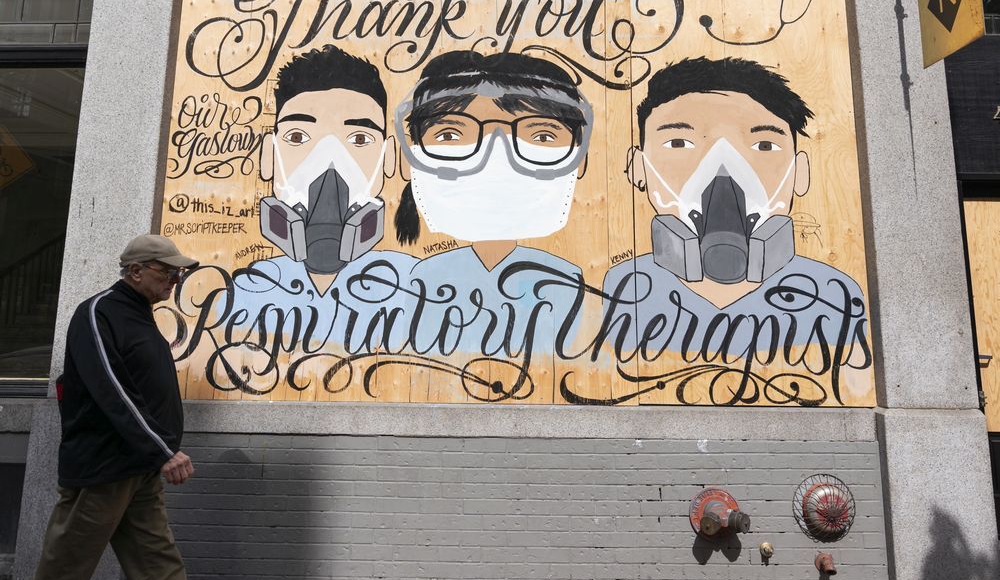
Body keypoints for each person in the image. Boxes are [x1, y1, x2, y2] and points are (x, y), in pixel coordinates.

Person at [603, 56, 868, 364]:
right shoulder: (624, 288)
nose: (722, 170)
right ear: (637, 169)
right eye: (678, 143)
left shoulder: (833, 296)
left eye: (764, 146)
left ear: (801, 172)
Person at [395, 50, 591, 368]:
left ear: (580, 158)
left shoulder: (566, 279)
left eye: (541, 136)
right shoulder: (424, 278)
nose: (495, 161)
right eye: (449, 135)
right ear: (412, 154)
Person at [32, 234, 198, 580]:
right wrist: (163, 449)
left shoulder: (141, 316)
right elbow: (113, 390)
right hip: (103, 470)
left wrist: (156, 453)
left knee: (160, 565)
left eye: (178, 275)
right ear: (136, 271)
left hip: (140, 468)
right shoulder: (98, 312)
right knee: (65, 567)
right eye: (168, 273)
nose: (174, 281)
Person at [230, 44, 417, 358]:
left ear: (388, 160)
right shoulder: (243, 294)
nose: (329, 165)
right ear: (267, 157)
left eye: (359, 139)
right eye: (298, 138)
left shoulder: (417, 288)